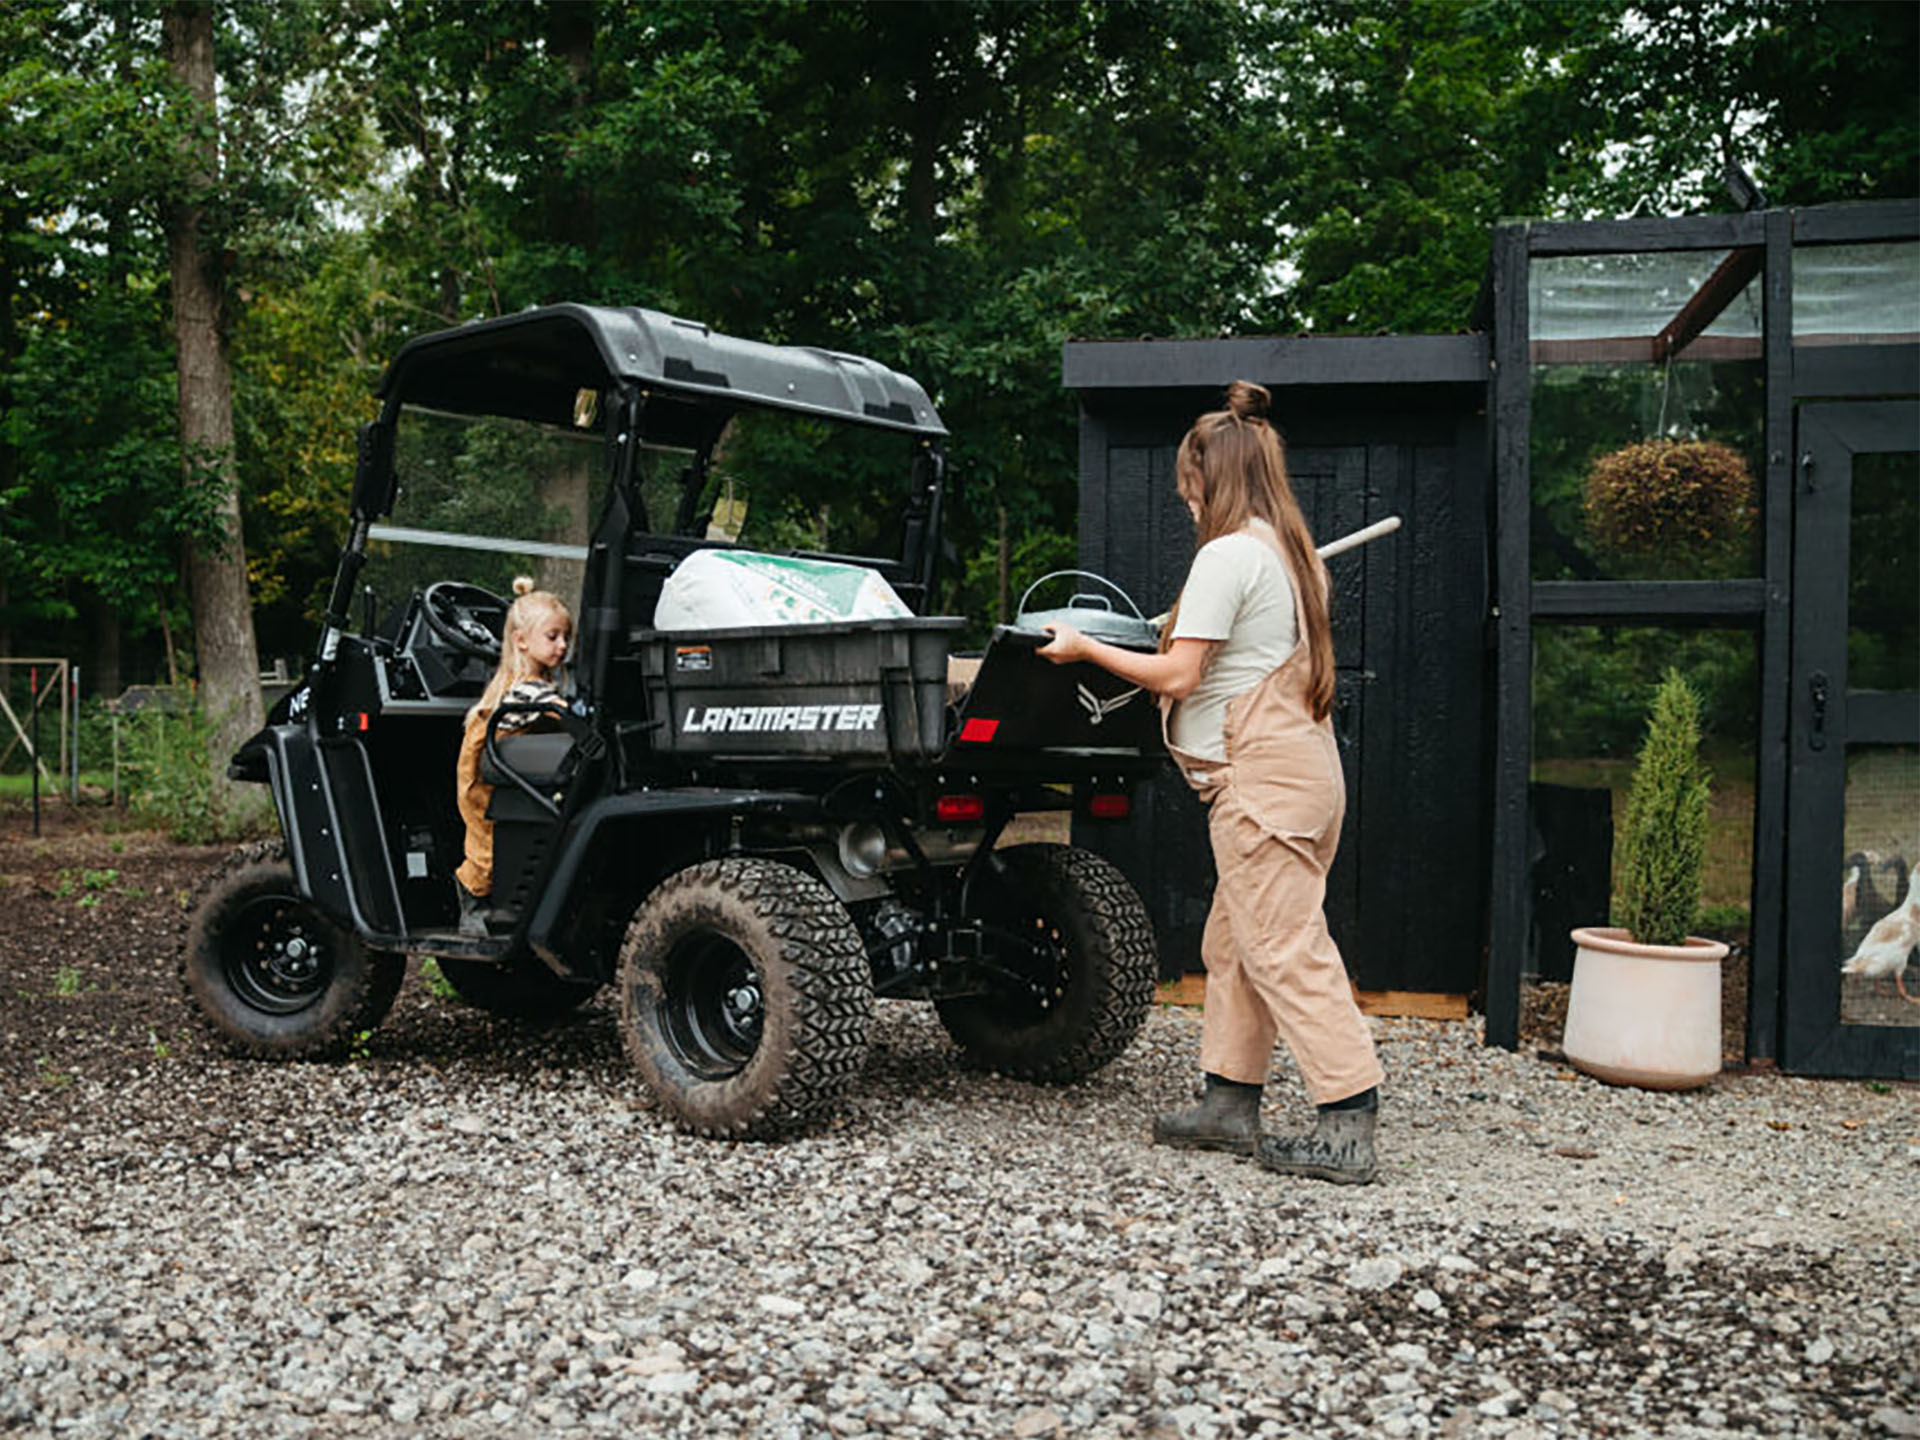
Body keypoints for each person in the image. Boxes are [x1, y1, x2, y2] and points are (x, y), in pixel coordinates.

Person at [1036, 380, 1384, 1184]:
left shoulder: (1229, 554)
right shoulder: (1287, 554)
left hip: (1261, 784)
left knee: (1284, 945)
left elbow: (1179, 676)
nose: (1187, 504)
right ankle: (1229, 1101)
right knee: (1236, 943)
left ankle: (1349, 1117)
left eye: (1190, 489)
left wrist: (1084, 647)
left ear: (1211, 479)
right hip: (1299, 774)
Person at [453, 577, 574, 935]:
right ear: (521, 641)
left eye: (566, 637)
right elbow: (554, 709)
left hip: (509, 762)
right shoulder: (522, 689)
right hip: (483, 768)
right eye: (552, 637)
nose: (562, 646)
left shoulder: (542, 682)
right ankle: (471, 900)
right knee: (486, 839)